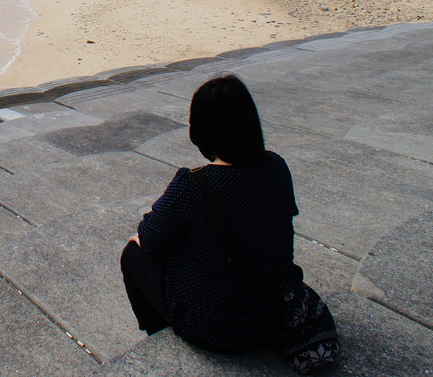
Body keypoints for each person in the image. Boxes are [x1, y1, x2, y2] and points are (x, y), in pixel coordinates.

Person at [121, 75, 303, 355]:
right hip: (274, 311)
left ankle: (161, 337)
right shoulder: (276, 166)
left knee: (133, 254)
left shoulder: (194, 185)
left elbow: (150, 237)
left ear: (201, 132)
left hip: (217, 328)